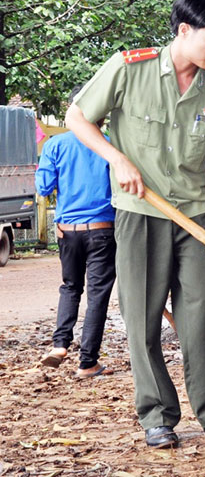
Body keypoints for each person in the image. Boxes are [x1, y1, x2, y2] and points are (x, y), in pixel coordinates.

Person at [65, 0, 205, 448]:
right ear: (185, 31)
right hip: (140, 213)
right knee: (142, 316)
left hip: (196, 215)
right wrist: (116, 159)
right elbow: (77, 117)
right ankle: (157, 416)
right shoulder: (129, 68)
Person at [37, 85, 116, 380]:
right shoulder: (111, 146)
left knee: (70, 287)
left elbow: (43, 187)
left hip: (67, 231)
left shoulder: (55, 145)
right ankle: (87, 363)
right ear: (102, 116)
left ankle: (59, 345)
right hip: (102, 230)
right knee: (97, 295)